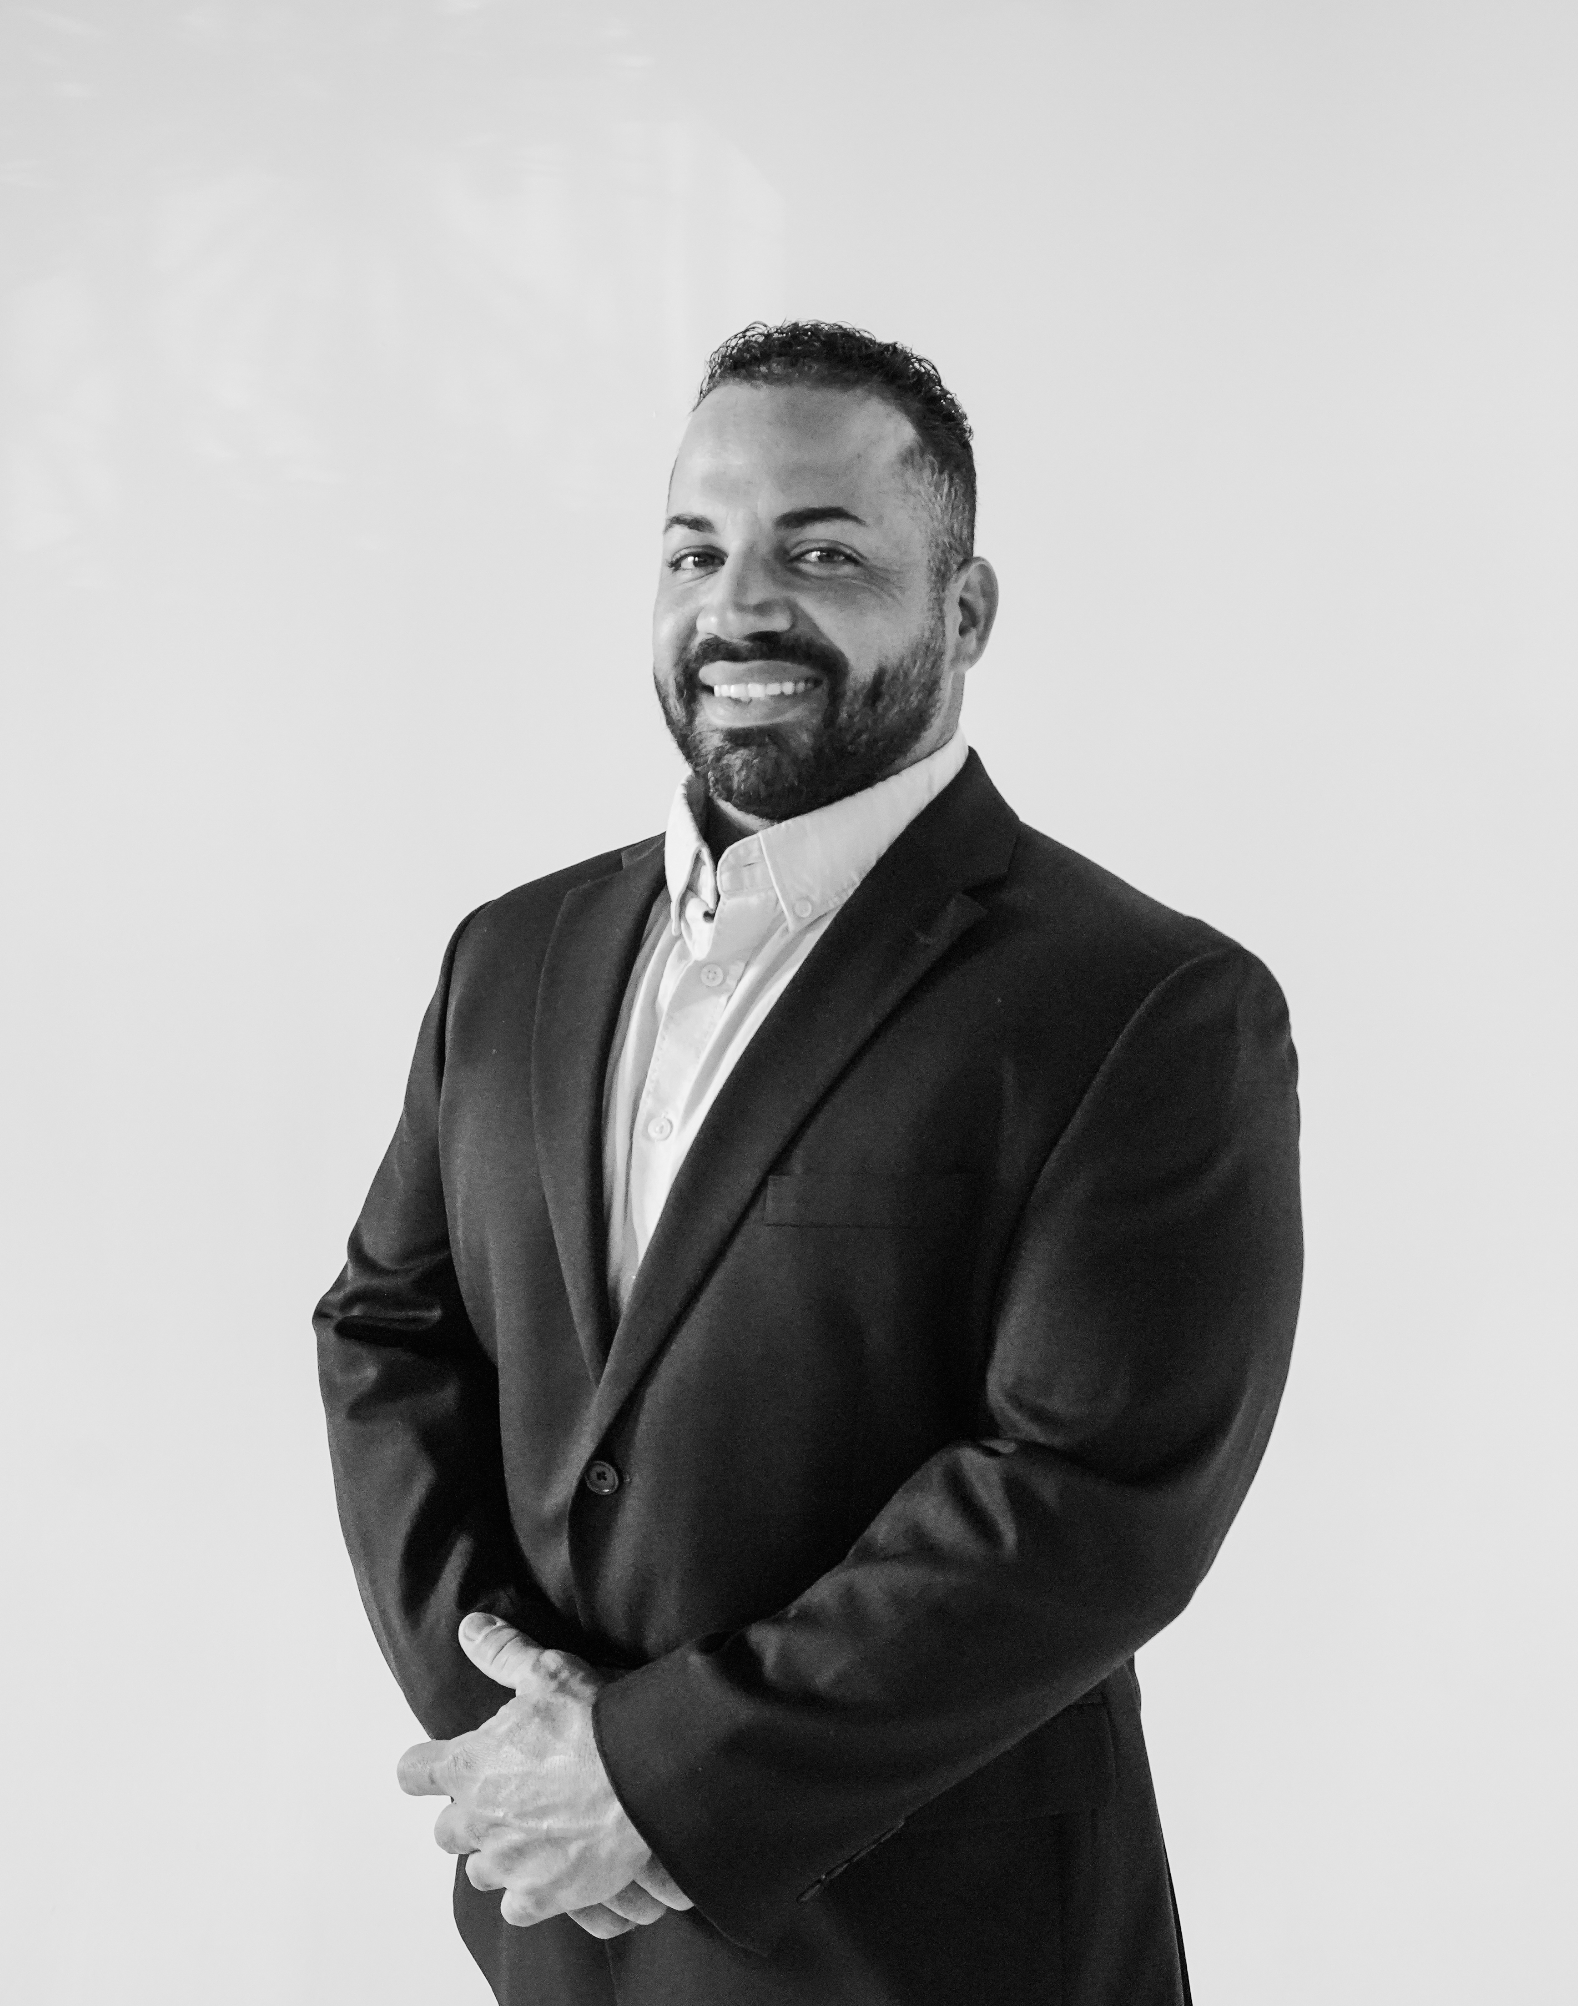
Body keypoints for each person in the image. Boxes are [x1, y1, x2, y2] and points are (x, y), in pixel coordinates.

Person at [315, 320, 1303, 2006]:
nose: (741, 605)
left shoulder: (1144, 1004)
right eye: (696, 548)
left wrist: (653, 1775)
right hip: (565, 1939)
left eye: (822, 550)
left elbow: (1083, 1496)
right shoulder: (514, 953)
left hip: (933, 1954)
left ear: (965, 610)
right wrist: (513, 1737)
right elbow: (390, 1328)